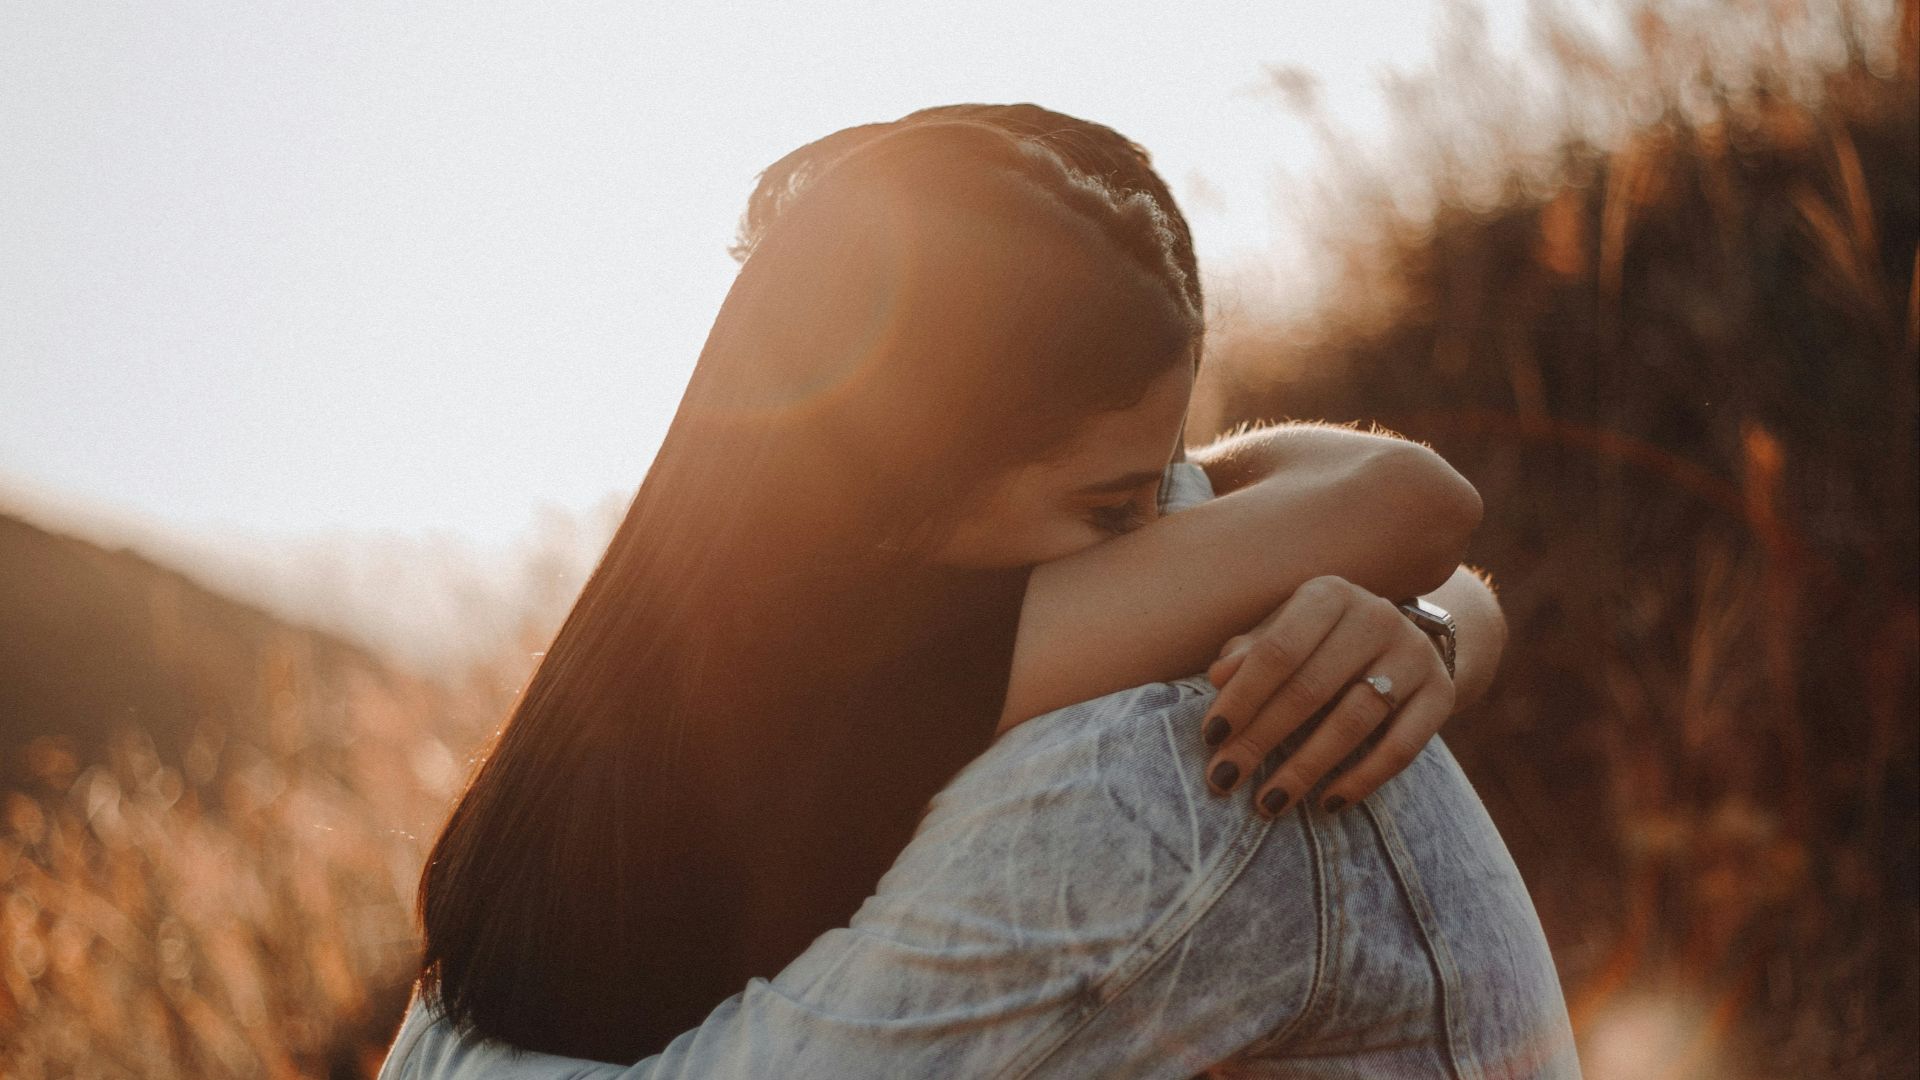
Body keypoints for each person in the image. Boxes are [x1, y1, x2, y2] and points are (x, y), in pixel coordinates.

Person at [383, 104, 1578, 1076]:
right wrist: (1441, 621)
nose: (1167, 531)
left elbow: (1364, 531)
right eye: (1115, 509)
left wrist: (1429, 628)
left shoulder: (681, 647)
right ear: (909, 485)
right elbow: (1416, 505)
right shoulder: (926, 654)